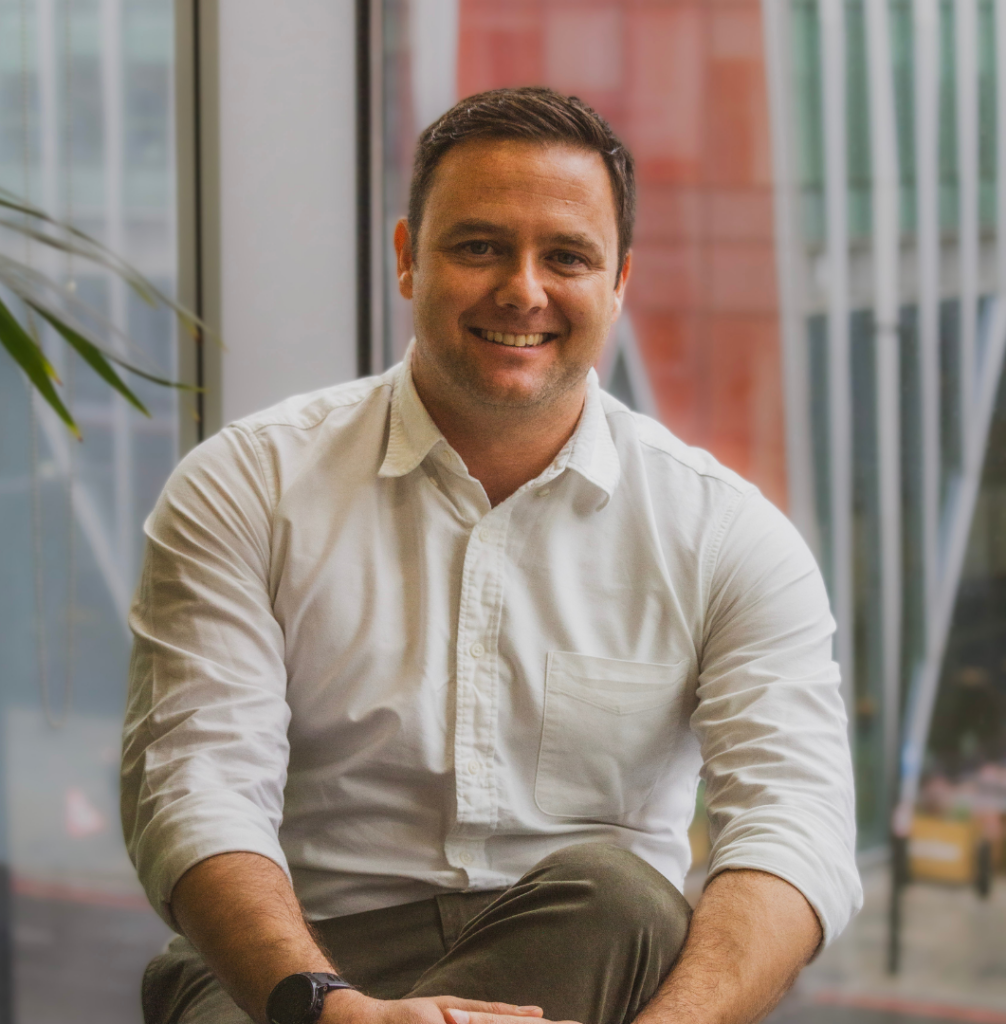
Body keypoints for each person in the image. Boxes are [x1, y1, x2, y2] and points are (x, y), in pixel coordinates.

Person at [123, 87, 861, 1024]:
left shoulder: (728, 535)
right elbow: (195, 786)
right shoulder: (244, 487)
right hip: (294, 969)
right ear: (406, 259)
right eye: (478, 246)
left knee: (621, 897)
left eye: (566, 257)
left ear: (620, 280)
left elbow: (795, 831)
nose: (523, 289)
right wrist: (338, 1010)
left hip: (583, 957)